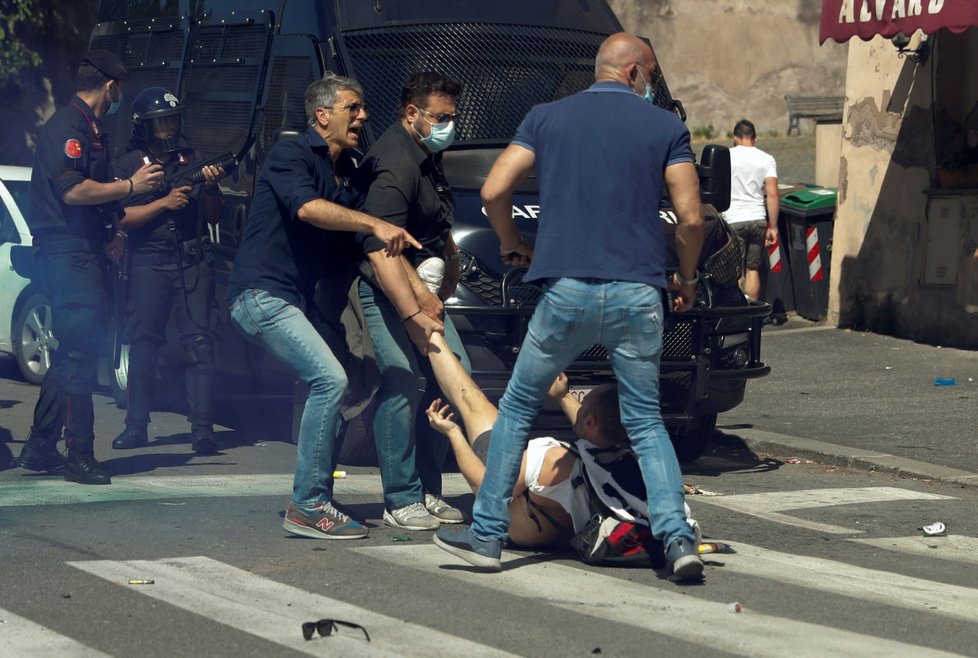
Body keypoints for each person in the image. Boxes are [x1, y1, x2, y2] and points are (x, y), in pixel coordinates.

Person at [433, 32, 707, 581]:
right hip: (638, 292)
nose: (651, 83)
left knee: (515, 409)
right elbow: (692, 217)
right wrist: (687, 276)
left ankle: (486, 537)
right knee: (646, 422)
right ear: (633, 73)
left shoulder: (545, 117)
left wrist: (511, 242)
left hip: (567, 292)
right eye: (650, 73)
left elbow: (493, 191)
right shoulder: (665, 127)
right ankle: (677, 542)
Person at [227, 74, 420, 540]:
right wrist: (375, 222)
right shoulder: (290, 154)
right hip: (260, 294)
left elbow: (354, 236)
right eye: (352, 108)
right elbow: (310, 210)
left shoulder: (347, 171)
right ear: (322, 115)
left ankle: (320, 498)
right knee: (328, 379)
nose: (363, 116)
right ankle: (308, 504)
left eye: (362, 108)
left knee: (349, 384)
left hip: (299, 300)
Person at [14, 50, 165, 485]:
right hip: (67, 258)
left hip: (84, 252)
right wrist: (132, 185)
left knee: (71, 356)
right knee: (80, 357)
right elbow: (73, 192)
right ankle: (79, 453)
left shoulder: (92, 128)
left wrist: (111, 233)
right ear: (110, 87)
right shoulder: (69, 126)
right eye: (120, 89)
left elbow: (96, 203)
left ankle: (41, 447)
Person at [424, 332, 701, 550]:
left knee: (471, 400)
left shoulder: (551, 456)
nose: (578, 404)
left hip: (516, 526)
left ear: (590, 420)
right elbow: (591, 428)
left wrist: (453, 434)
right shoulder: (623, 462)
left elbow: (484, 488)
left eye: (584, 402)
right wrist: (562, 395)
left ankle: (428, 332)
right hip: (555, 530)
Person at [354, 71, 471, 530]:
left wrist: (449, 268)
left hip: (424, 287)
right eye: (441, 118)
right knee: (401, 379)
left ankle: (428, 488)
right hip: (384, 287)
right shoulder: (393, 163)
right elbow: (380, 247)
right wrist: (420, 299)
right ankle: (400, 497)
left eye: (452, 117)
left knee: (451, 375)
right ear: (412, 114)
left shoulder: (425, 153)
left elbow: (434, 226)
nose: (448, 126)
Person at [110, 87, 228, 455]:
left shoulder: (190, 159)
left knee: (200, 344)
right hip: (148, 260)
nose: (167, 128)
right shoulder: (128, 165)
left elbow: (214, 215)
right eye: (159, 121)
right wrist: (164, 202)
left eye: (171, 120)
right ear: (144, 125)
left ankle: (203, 429)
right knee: (144, 346)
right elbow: (122, 219)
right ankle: (135, 425)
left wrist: (209, 186)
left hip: (191, 259)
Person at [723, 118, 779, 301]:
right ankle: (752, 318)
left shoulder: (726, 156)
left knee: (736, 271)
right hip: (757, 218)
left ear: (735, 138)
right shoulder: (766, 159)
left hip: (733, 219)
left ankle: (738, 316)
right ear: (754, 138)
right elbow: (772, 195)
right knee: (753, 268)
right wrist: (773, 227)